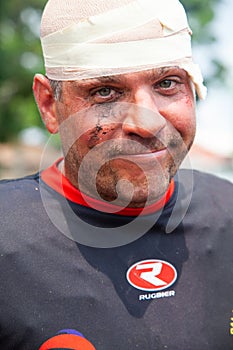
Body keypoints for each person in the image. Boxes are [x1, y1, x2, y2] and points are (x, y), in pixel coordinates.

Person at [0, 0, 232, 349]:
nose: (146, 122)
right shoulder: (8, 238)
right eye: (104, 92)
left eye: (167, 83)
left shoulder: (226, 215)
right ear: (49, 105)